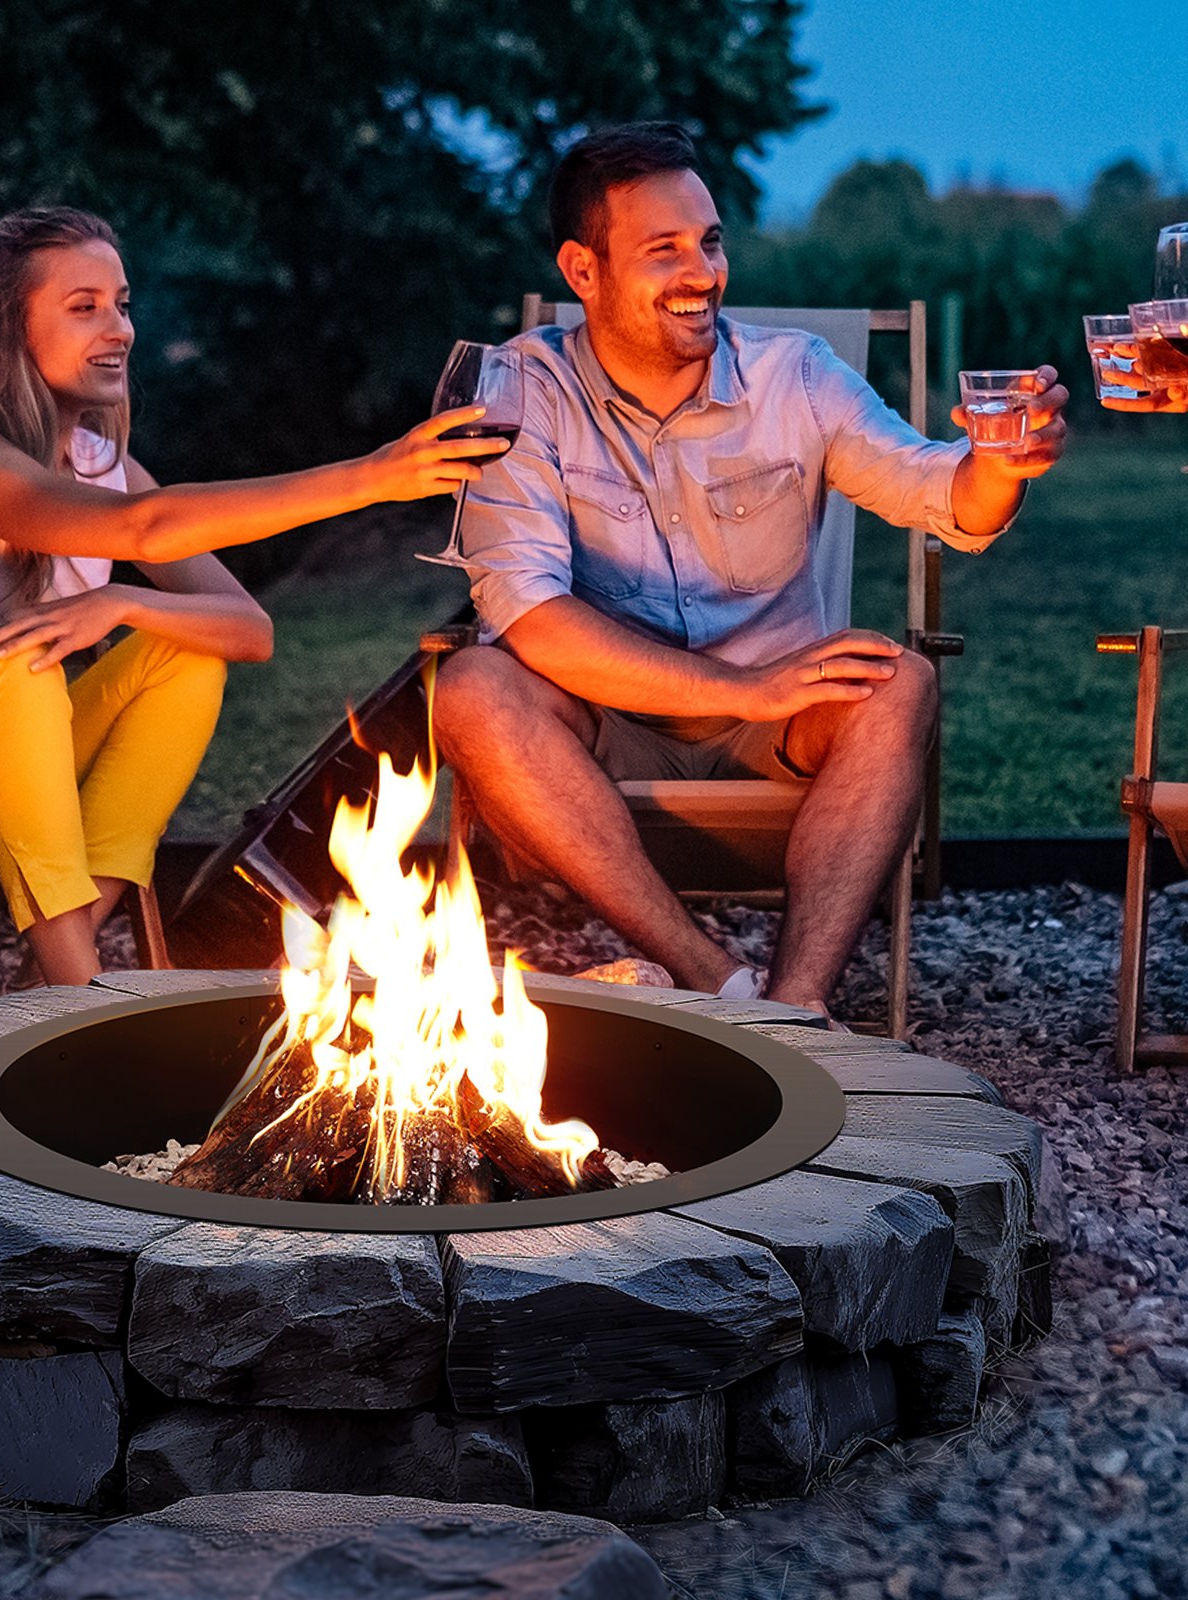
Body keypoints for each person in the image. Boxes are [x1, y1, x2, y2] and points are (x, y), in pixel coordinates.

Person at [0, 207, 504, 989]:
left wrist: (126, 606)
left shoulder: (102, 462)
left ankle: (53, 975)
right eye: (83, 307)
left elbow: (249, 630)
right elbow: (143, 530)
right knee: (20, 662)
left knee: (184, 657)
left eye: (122, 304)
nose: (120, 329)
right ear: (6, 329)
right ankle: (80, 997)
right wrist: (370, 478)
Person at [432, 122, 1069, 1020]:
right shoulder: (521, 392)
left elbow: (941, 494)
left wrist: (999, 467)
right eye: (664, 251)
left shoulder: (794, 375)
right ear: (583, 271)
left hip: (775, 742)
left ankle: (796, 1014)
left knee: (901, 682)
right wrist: (748, 685)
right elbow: (532, 618)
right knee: (471, 686)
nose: (703, 273)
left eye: (711, 241)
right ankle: (711, 978)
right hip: (601, 725)